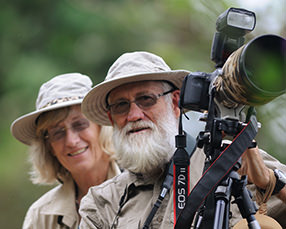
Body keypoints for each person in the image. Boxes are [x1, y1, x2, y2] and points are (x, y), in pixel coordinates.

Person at [79, 51, 286, 228]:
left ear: (176, 102)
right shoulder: (101, 203)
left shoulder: (229, 159)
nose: (134, 115)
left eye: (146, 99)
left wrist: (270, 181)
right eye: (121, 106)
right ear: (110, 118)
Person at [10, 73, 121, 229]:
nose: (71, 141)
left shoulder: (144, 191)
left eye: (80, 125)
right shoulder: (41, 216)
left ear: (101, 128)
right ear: (49, 147)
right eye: (57, 132)